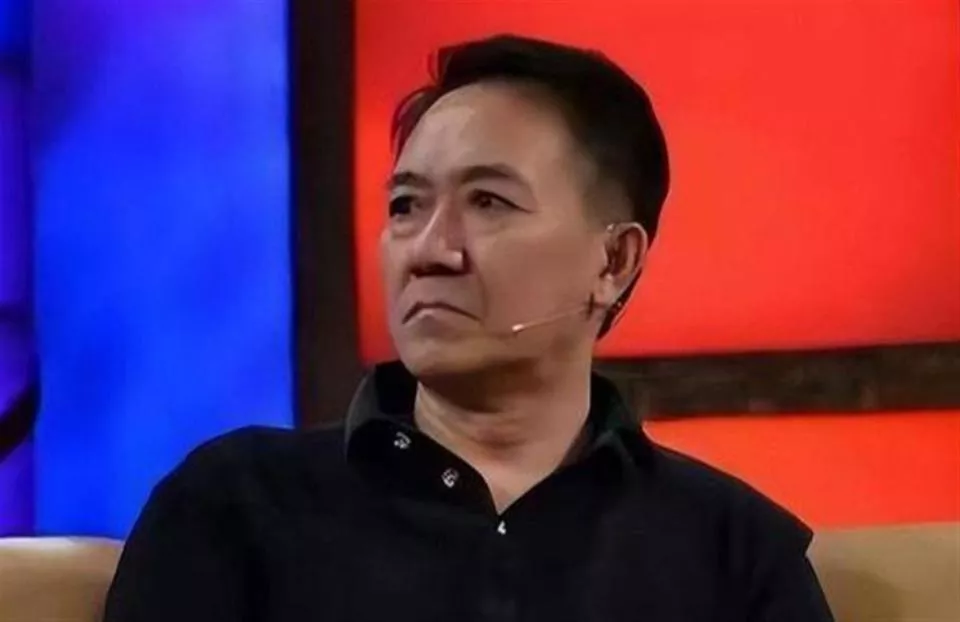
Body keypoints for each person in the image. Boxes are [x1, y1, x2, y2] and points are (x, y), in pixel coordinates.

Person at [103, 34, 834, 622]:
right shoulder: (239, 507)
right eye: (405, 207)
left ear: (613, 261)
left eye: (488, 202)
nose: (429, 251)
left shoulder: (733, 552)